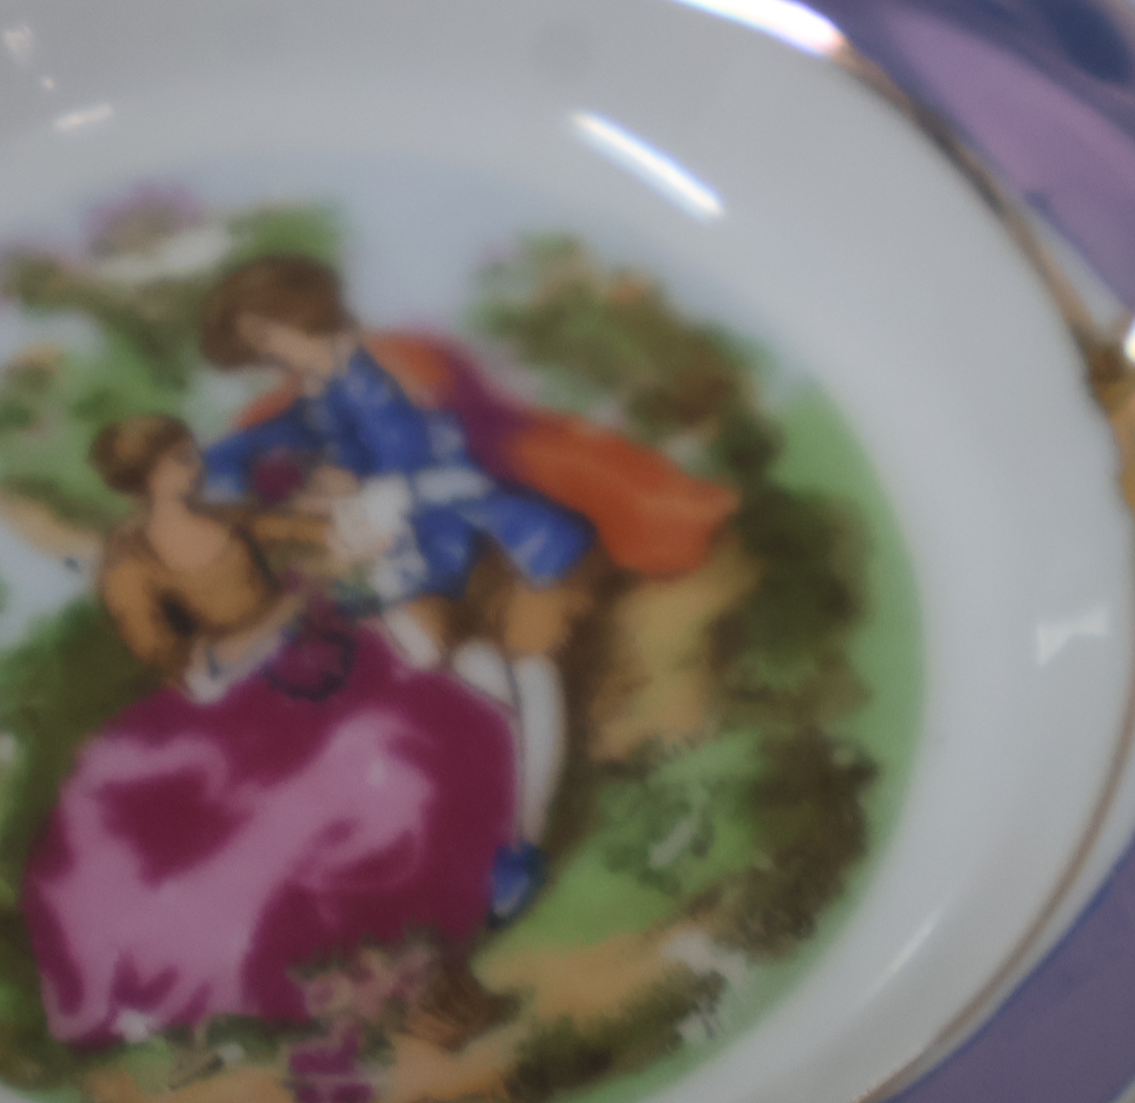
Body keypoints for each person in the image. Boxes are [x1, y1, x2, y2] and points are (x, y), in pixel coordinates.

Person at [197, 253, 738, 921]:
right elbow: (268, 444)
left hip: (510, 539)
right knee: (440, 657)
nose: (265, 354)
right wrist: (204, 471)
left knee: (528, 668)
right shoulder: (322, 391)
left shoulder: (382, 375)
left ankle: (524, 844)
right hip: (432, 554)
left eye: (264, 334)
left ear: (297, 314)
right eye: (254, 343)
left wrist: (384, 495)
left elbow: (455, 470)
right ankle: (524, 790)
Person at [20, 415, 517, 1053]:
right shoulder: (130, 566)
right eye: (179, 459)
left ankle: (438, 958)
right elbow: (177, 665)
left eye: (189, 453)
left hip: (314, 653)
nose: (194, 465)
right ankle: (372, 987)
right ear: (148, 478)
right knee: (290, 811)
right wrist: (282, 611)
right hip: (228, 702)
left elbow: (290, 531)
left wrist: (349, 535)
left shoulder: (223, 517)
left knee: (418, 734)